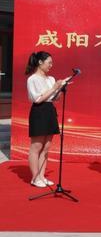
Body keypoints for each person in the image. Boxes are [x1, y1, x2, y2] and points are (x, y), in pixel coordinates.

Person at [25, 51, 68, 187]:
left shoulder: (51, 79)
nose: (51, 65)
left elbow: (54, 98)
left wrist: (60, 89)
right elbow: (37, 99)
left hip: (50, 110)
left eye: (52, 63)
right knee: (36, 146)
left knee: (46, 146)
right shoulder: (32, 79)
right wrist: (54, 87)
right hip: (39, 111)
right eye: (49, 62)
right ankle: (35, 177)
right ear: (40, 62)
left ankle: (42, 177)